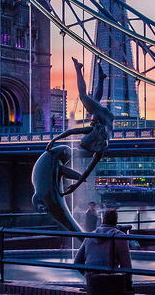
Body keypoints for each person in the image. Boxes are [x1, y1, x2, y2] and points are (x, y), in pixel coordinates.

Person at [45, 57, 114, 196]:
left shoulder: (101, 145)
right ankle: (78, 68)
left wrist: (75, 186)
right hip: (101, 115)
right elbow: (72, 131)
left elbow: (87, 172)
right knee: (83, 96)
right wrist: (53, 140)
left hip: (108, 118)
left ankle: (100, 78)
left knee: (95, 100)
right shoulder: (94, 133)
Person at [74, 208, 133, 291]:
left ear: (103, 220)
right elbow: (126, 266)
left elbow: (77, 262)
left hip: (91, 283)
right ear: (116, 220)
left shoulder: (90, 236)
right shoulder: (120, 237)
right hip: (109, 282)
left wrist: (88, 276)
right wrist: (128, 285)